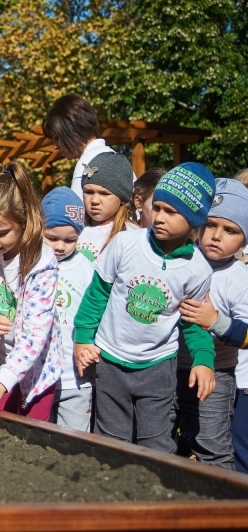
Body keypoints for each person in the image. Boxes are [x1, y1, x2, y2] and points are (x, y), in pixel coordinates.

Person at [74, 163, 217, 452]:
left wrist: (203, 359)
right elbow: (97, 295)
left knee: (157, 443)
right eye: (158, 208)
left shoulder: (198, 269)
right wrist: (82, 338)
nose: (159, 217)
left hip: (157, 367)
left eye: (171, 212)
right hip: (110, 360)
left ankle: (156, 495)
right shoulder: (125, 243)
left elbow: (193, 322)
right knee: (111, 442)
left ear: (193, 220)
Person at [0, 162, 62, 421]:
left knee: (31, 441)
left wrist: (2, 382)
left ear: (23, 221)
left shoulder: (41, 262)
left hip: (35, 373)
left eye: (1, 233)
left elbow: (35, 335)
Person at [176, 178, 248, 469]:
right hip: (170, 366)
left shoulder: (239, 278)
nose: (216, 236)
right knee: (170, 439)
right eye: (210, 225)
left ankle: (222, 503)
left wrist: (216, 322)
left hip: (217, 374)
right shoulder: (182, 258)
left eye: (230, 230)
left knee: (212, 443)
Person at [41, 187, 95, 431]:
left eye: (70, 240)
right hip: (39, 375)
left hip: (76, 378)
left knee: (75, 441)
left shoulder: (88, 268)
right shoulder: (31, 262)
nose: (60, 246)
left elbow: (97, 312)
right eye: (52, 238)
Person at [43, 94, 115, 198]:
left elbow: (76, 212)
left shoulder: (86, 164)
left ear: (71, 130)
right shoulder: (117, 159)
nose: (55, 146)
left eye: (57, 138)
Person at [76, 152, 139, 262]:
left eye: (104, 194)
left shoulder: (131, 235)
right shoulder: (73, 228)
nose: (95, 200)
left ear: (122, 198)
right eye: (89, 192)